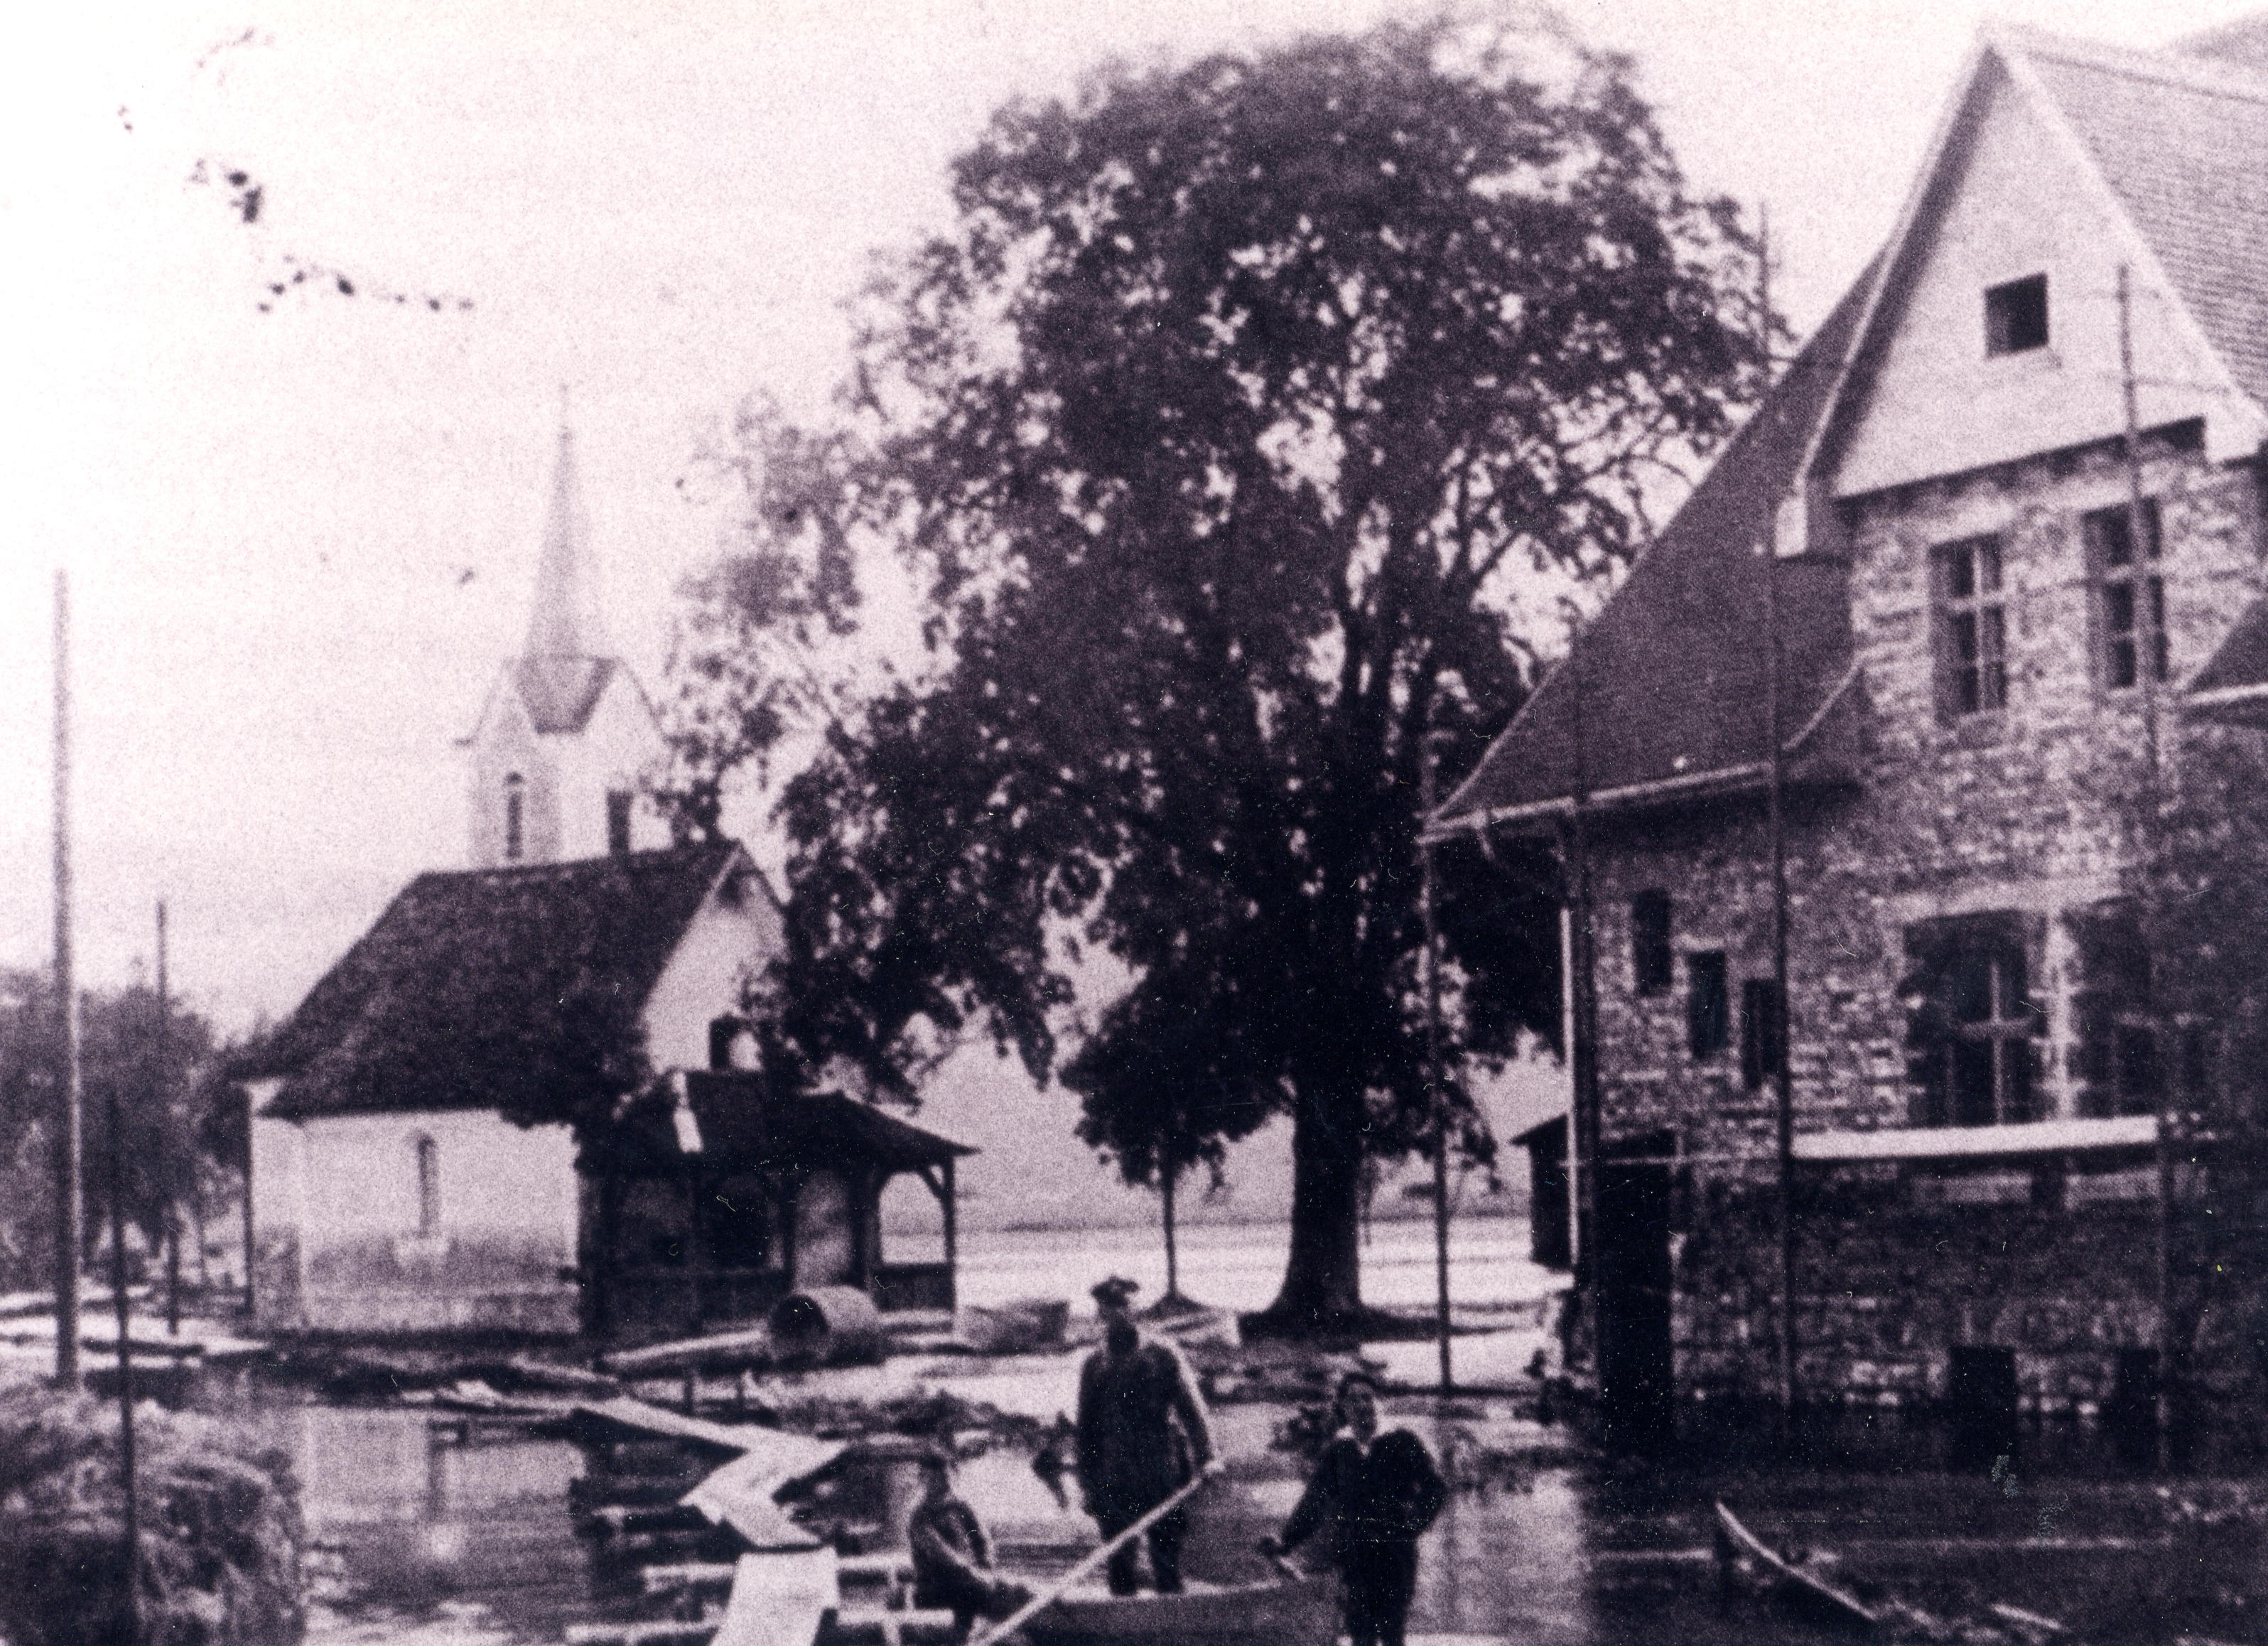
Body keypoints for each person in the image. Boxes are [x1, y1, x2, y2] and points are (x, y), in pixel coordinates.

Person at [1262, 1372, 1447, 1646]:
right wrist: (1286, 1541)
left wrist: (1414, 1525)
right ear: (1343, 1408)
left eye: (1368, 1397)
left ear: (1379, 1402)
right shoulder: (1339, 1451)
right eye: (1353, 1400)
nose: (1362, 1405)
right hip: (1355, 1555)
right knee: (1361, 1633)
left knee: (1392, 1632)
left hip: (1395, 1555)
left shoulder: (1402, 1441)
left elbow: (1436, 1488)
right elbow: (1314, 1502)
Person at [1074, 1274, 1219, 1596]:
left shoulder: (1163, 1355)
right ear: (1100, 1313)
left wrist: (1208, 1457)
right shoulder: (1094, 1365)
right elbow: (1085, 1429)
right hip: (1113, 1478)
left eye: (1123, 1305)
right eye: (1109, 1307)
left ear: (1135, 1309)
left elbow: (1192, 1411)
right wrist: (1085, 1482)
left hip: (1160, 1473)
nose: (1117, 1314)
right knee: (1119, 1565)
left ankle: (1174, 1619)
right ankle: (1125, 1620)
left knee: (1166, 1559)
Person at [905, 1448, 1031, 1639]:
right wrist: (977, 1575)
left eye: (945, 1478)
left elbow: (980, 1540)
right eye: (935, 1480)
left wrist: (985, 1565)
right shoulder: (920, 1516)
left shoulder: (960, 1507)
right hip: (935, 1586)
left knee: (1020, 1590)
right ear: (923, 1480)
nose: (943, 1484)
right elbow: (943, 1555)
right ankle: (995, 1636)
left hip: (967, 1580)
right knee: (992, 1593)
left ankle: (1015, 1632)